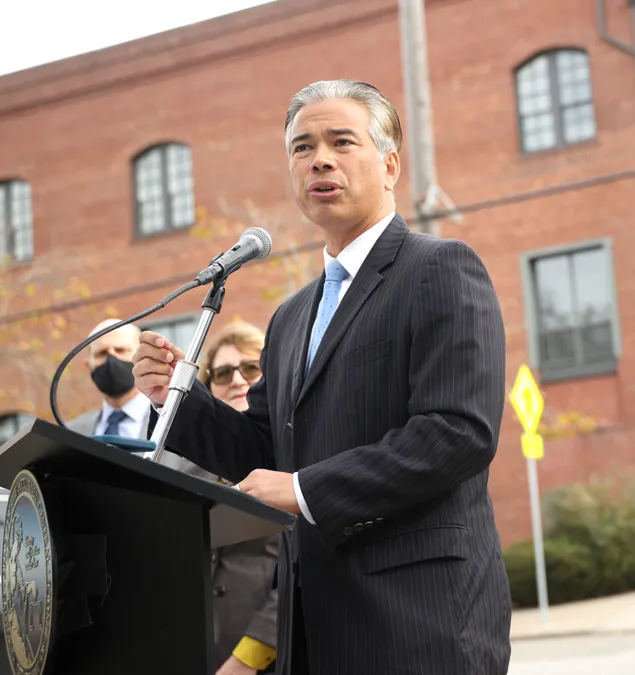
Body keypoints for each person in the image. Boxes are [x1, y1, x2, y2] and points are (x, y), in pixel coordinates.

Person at [131, 80, 511, 675]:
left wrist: (306, 489)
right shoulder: (291, 317)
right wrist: (176, 398)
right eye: (302, 147)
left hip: (419, 625)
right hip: (313, 632)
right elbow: (262, 450)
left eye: (341, 141)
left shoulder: (439, 269)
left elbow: (457, 432)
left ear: (389, 165)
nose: (320, 159)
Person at [152, 321, 281, 675]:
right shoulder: (177, 464)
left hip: (270, 658)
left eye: (251, 368)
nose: (238, 380)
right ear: (207, 386)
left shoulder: (291, 455)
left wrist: (248, 660)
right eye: (223, 373)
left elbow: (303, 570)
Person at [68, 319, 154, 440]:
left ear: (142, 358)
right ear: (88, 366)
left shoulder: (175, 426)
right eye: (101, 353)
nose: (111, 359)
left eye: (120, 350)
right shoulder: (71, 433)